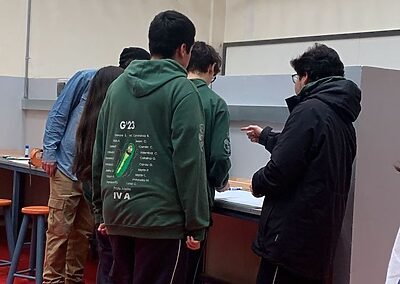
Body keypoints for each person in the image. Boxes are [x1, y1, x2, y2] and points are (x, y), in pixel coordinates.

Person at [92, 10, 210, 284]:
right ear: (183, 49)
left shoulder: (117, 87)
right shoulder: (183, 91)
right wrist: (197, 223)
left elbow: (100, 152)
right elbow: (189, 162)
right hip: (162, 221)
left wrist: (100, 209)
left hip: (117, 212)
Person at [241, 43, 361, 284]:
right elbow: (305, 153)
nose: (295, 83)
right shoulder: (341, 118)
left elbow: (280, 170)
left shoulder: (309, 110)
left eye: (296, 76)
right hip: (316, 241)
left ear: (306, 76)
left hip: (289, 241)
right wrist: (265, 137)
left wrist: (256, 183)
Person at [42, 69, 97, 283]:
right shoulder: (87, 78)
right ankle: (52, 281)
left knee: (82, 234)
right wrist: (49, 152)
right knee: (59, 233)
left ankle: (73, 280)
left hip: (90, 174)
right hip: (65, 167)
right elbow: (59, 112)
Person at [73, 66, 124, 284]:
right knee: (117, 264)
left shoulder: (87, 122)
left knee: (106, 261)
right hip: (113, 203)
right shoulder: (112, 122)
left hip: (95, 196)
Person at [186, 41, 231, 283]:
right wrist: (220, 181)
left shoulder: (169, 95)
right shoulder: (215, 104)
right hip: (196, 205)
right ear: (211, 68)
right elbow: (219, 157)